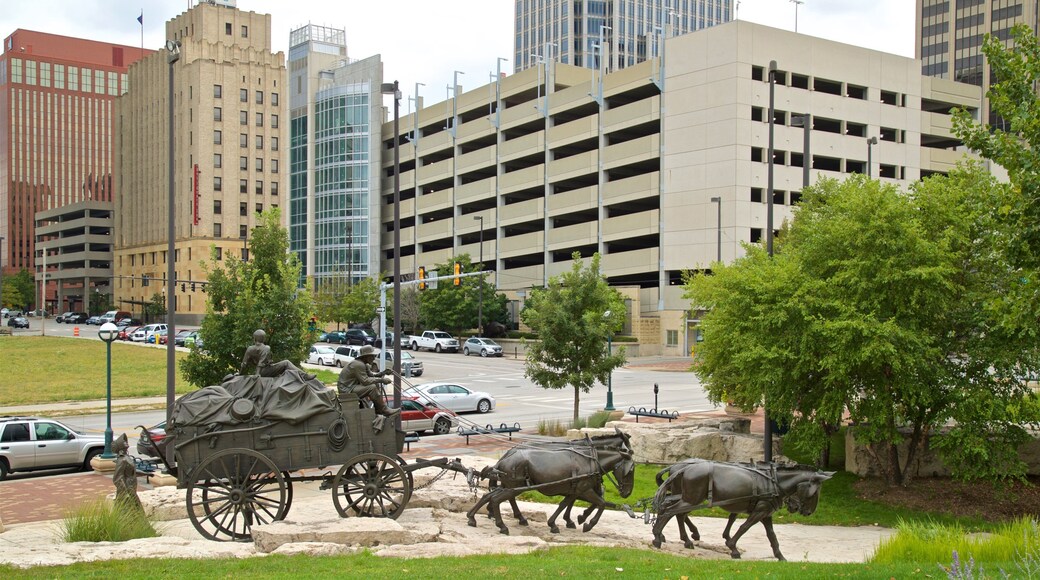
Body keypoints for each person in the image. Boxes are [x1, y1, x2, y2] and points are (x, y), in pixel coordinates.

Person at [337, 345, 399, 417]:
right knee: (372, 387)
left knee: (375, 385)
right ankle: (384, 409)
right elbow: (365, 381)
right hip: (346, 390)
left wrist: (383, 373)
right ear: (366, 356)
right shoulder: (358, 365)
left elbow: (371, 376)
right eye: (372, 356)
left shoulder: (364, 364)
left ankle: (378, 409)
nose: (374, 358)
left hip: (351, 387)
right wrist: (382, 380)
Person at [240, 329, 315, 380]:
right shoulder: (266, 348)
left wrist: (240, 374)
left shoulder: (250, 349)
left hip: (261, 372)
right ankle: (305, 376)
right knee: (286, 363)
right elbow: (261, 363)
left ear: (254, 338)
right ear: (263, 338)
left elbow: (244, 364)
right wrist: (257, 374)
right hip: (264, 371)